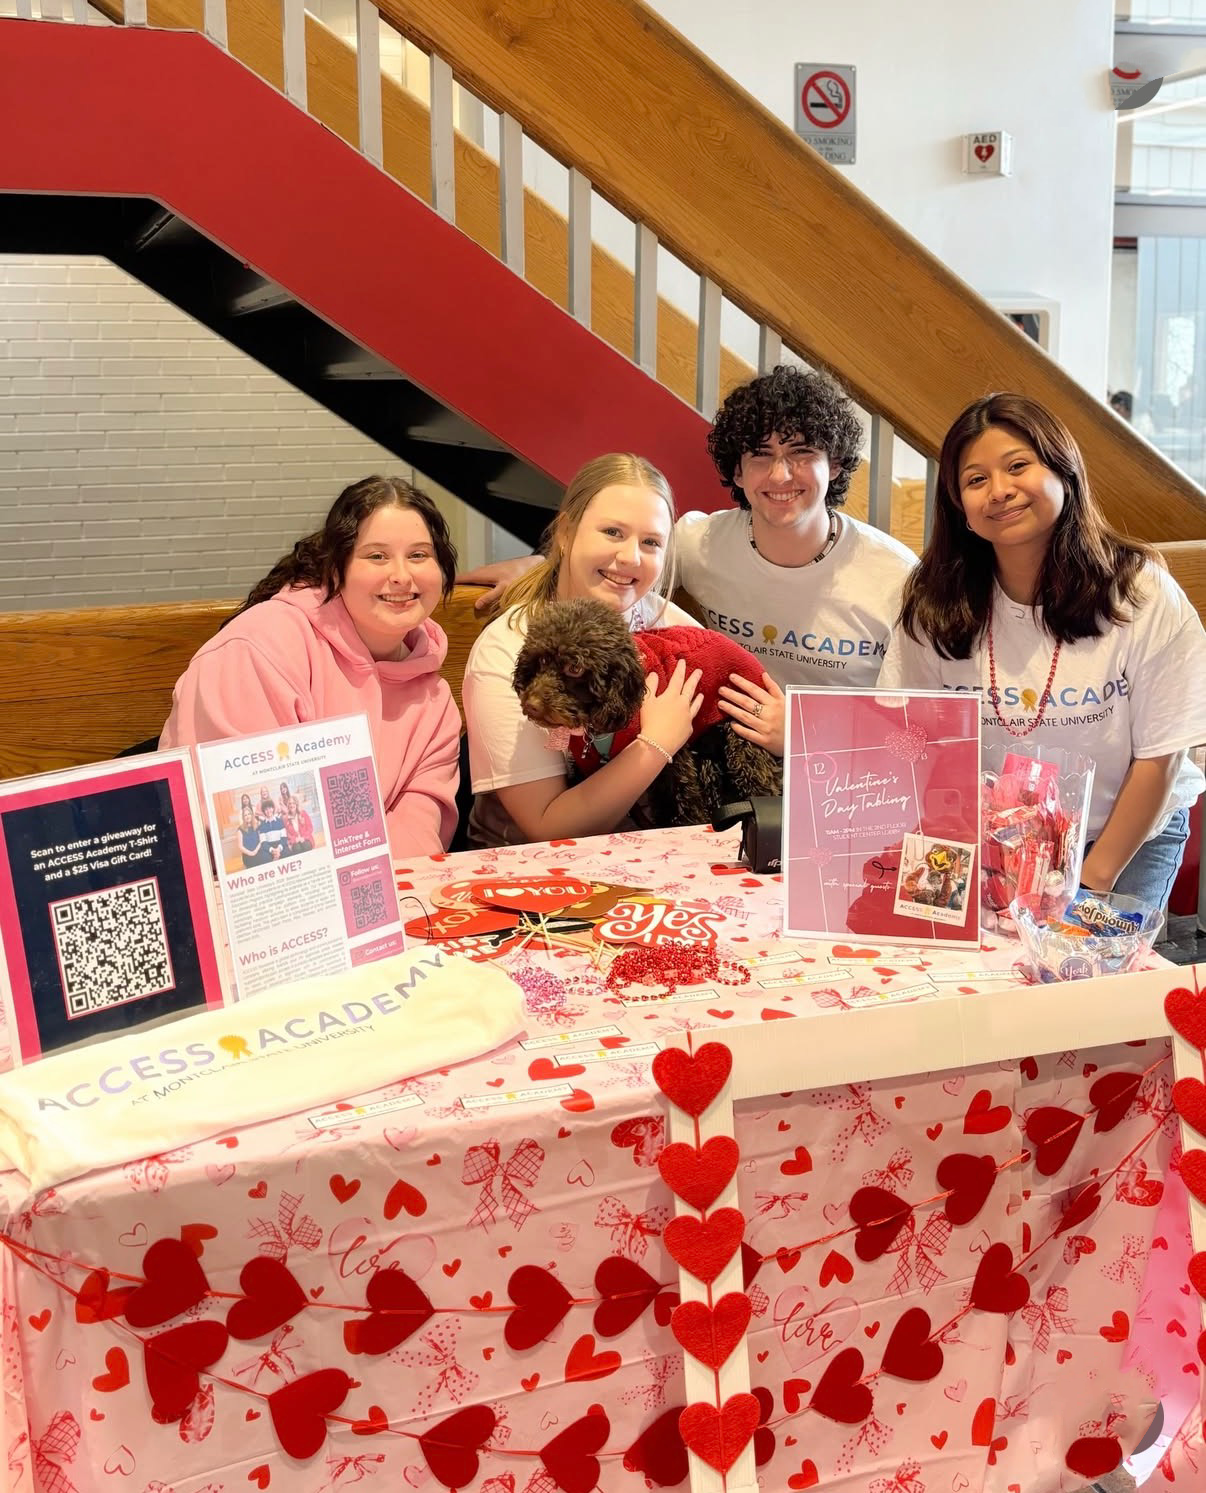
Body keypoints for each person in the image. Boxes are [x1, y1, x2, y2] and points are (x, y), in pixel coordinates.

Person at [458, 368, 916, 754]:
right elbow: (623, 556)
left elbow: (918, 728)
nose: (780, 474)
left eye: (802, 453)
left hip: (843, 773)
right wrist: (538, 564)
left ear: (834, 464)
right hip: (726, 760)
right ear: (737, 470)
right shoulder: (701, 542)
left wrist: (804, 733)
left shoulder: (894, 577)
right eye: (761, 455)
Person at [879, 392, 1206, 908]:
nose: (1000, 491)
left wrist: (1087, 883)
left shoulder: (1139, 593)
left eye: (1017, 466)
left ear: (1064, 473)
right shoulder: (932, 602)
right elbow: (918, 738)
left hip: (1124, 835)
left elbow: (1160, 756)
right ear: (958, 507)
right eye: (975, 479)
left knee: (1093, 979)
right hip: (988, 840)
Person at [162, 476, 461, 858]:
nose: (402, 575)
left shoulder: (436, 700)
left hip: (384, 895)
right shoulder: (259, 648)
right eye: (376, 556)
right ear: (335, 569)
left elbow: (419, 833)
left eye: (419, 555)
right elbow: (246, 823)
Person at [462, 453, 704, 847]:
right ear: (565, 532)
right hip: (526, 872)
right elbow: (546, 826)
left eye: (650, 542)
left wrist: (782, 728)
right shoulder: (510, 647)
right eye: (612, 532)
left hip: (654, 861)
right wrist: (656, 743)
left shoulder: (667, 625)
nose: (630, 557)